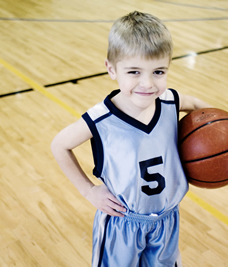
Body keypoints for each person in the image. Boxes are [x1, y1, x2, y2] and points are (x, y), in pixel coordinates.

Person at [51, 11, 211, 267]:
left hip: (167, 220)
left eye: (158, 71)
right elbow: (59, 145)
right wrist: (88, 191)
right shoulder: (101, 119)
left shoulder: (170, 101)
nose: (147, 83)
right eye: (134, 72)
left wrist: (220, 126)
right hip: (122, 223)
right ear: (111, 69)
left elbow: (198, 106)